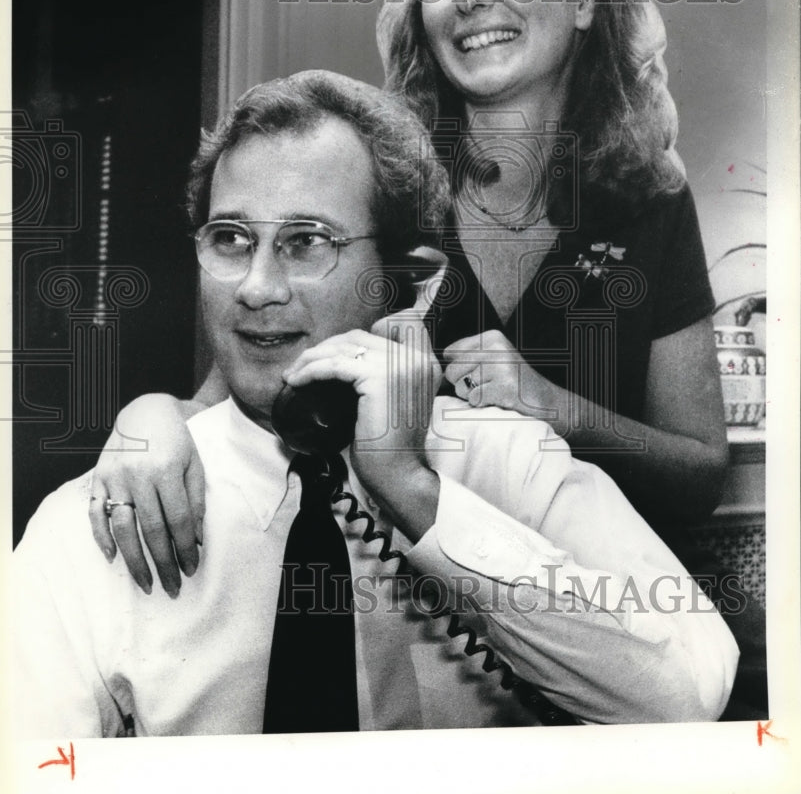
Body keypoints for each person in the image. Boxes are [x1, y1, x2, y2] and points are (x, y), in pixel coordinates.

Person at [13, 70, 738, 736]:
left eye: (307, 242)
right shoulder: (111, 513)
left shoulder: (513, 468)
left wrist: (416, 494)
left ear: (408, 284)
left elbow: (688, 694)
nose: (256, 287)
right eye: (230, 239)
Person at [88, 0, 728, 597]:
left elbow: (699, 473)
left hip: (603, 620)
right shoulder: (377, 188)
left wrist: (559, 411)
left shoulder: (648, 202)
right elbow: (225, 401)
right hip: (398, 629)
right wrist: (143, 425)